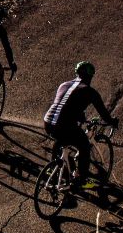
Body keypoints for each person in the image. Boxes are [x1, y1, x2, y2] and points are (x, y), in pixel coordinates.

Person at [43, 61, 119, 189]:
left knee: (61, 139)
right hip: (63, 125)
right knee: (84, 145)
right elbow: (104, 114)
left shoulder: (64, 85)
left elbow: (66, 104)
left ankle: (53, 168)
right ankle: (81, 180)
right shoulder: (89, 91)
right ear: (90, 76)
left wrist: (80, 116)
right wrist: (113, 122)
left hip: (48, 122)